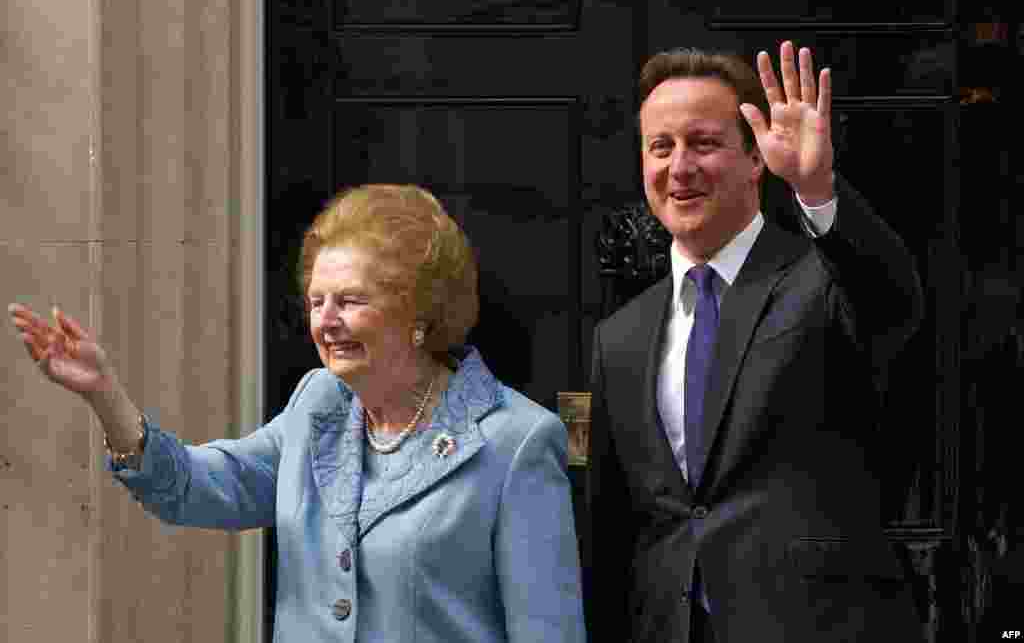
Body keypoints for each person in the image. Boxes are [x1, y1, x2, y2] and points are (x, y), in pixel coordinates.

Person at [9, 184, 587, 643]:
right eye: (316, 302)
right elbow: (192, 487)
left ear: (418, 312)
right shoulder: (320, 407)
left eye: (351, 301)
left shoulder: (514, 442)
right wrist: (106, 395)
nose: (325, 321)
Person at [584, 41, 925, 642]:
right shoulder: (620, 336)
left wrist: (819, 191)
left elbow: (892, 301)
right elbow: (617, 525)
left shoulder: (820, 281)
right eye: (660, 146)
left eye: (704, 143)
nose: (679, 167)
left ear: (754, 160)